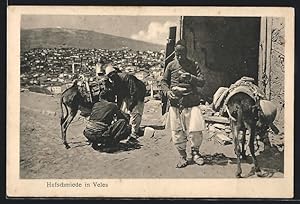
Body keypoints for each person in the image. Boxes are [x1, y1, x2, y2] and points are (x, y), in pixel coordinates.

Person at [161, 40, 206, 168]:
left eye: (182, 53)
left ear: (186, 52)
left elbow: (202, 81)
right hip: (176, 104)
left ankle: (196, 154)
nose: (179, 56)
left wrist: (190, 77)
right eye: (177, 53)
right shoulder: (170, 66)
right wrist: (168, 92)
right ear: (174, 53)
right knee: (177, 132)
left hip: (191, 103)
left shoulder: (193, 65)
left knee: (195, 131)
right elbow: (163, 82)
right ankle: (182, 157)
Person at [104, 63, 146, 144]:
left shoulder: (127, 78)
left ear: (115, 73)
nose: (111, 78)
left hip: (138, 93)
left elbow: (134, 93)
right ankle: (128, 129)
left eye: (111, 75)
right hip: (127, 94)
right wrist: (119, 107)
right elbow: (119, 95)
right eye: (109, 77)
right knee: (123, 111)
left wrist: (132, 105)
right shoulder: (115, 80)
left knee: (135, 113)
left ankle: (134, 134)